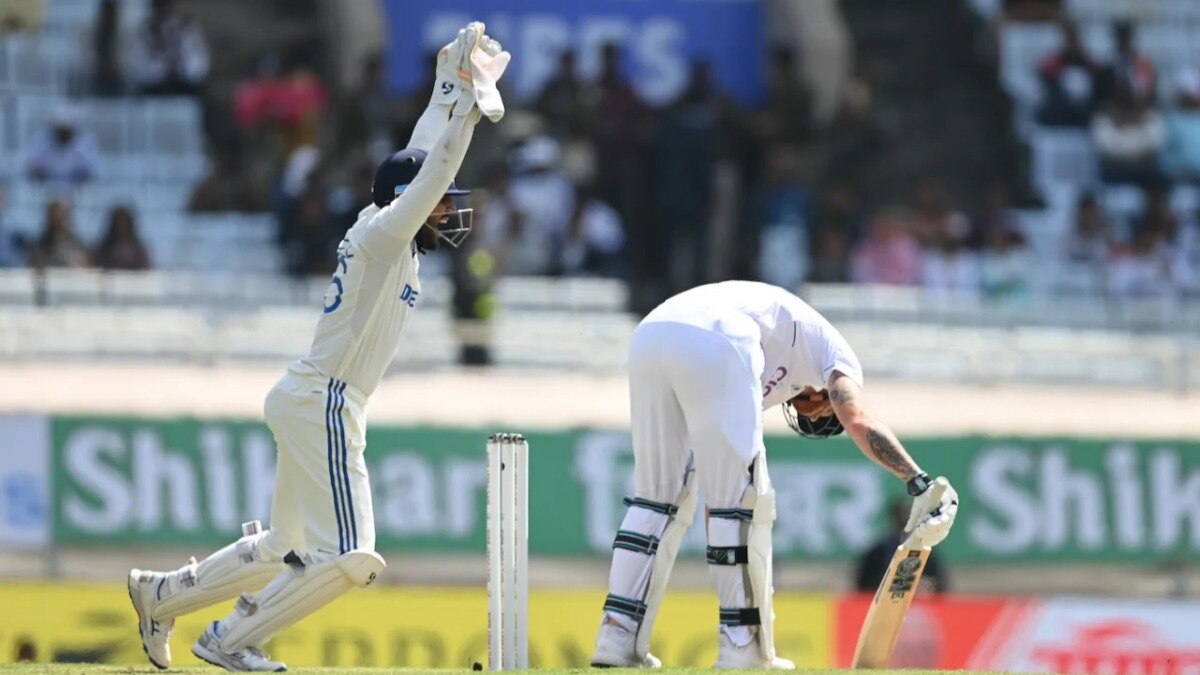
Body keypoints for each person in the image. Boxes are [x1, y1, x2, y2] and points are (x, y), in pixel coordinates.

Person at [125, 23, 509, 672]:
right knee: (353, 555)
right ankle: (229, 639)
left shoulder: (383, 228)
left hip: (308, 394)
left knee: (285, 546)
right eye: (440, 204)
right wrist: (471, 111)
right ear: (409, 202)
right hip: (326, 399)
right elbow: (434, 166)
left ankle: (160, 595)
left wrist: (449, 83)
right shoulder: (385, 234)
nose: (447, 212)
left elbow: (419, 154)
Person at [590, 280, 959, 669]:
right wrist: (919, 481)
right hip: (718, 333)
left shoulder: (772, 367)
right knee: (744, 501)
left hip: (652, 333)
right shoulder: (837, 357)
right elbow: (858, 420)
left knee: (658, 498)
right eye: (822, 413)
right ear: (825, 395)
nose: (809, 412)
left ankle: (617, 637)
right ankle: (742, 644)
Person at [855, 499, 949, 594]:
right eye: (901, 515)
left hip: (918, 601)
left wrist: (924, 586)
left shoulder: (926, 550)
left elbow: (938, 585)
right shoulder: (879, 551)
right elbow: (864, 586)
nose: (904, 518)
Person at [131, 0, 210, 96]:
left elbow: (200, 65)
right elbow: (139, 68)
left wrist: (181, 68)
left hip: (186, 87)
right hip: (155, 89)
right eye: (159, 7)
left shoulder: (188, 28)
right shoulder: (146, 31)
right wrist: (160, 69)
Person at [24, 106, 99, 187]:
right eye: (60, 130)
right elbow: (31, 167)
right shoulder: (42, 141)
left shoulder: (83, 144)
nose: (62, 134)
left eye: (66, 131)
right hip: (47, 188)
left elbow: (92, 172)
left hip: (77, 189)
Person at [28, 200, 88, 268]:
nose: (57, 218)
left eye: (61, 214)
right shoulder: (39, 246)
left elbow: (84, 266)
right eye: (54, 214)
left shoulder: (77, 245)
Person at [92, 206, 151, 270]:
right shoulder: (102, 250)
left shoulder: (139, 252)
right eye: (119, 222)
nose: (122, 225)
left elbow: (145, 270)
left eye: (124, 222)